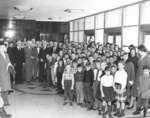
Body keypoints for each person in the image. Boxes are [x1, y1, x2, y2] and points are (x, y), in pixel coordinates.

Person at [133, 45, 150, 115]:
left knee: (144, 95)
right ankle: (138, 109)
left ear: (142, 50)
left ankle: (144, 109)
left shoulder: (148, 58)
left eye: (139, 50)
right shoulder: (140, 57)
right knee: (138, 94)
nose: (138, 51)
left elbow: (148, 69)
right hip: (139, 78)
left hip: (144, 79)